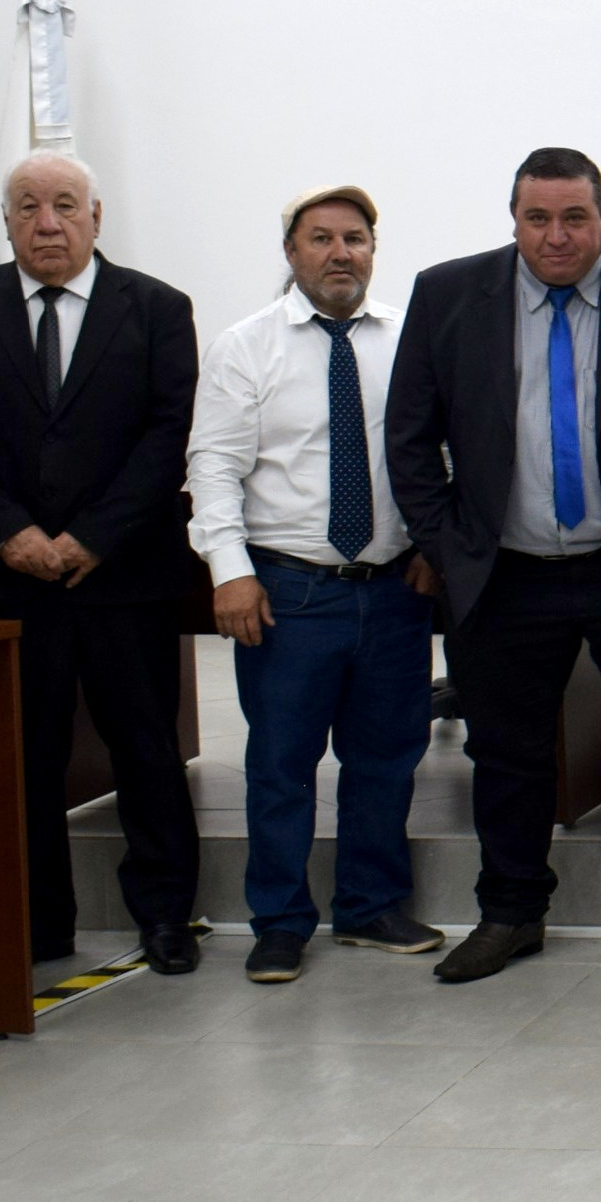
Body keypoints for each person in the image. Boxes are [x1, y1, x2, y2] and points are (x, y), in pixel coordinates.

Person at [384, 148, 601, 985]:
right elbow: (410, 438)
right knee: (507, 753)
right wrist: (445, 544)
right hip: (504, 571)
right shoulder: (450, 294)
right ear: (514, 219)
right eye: (538, 219)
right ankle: (511, 912)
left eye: (575, 218)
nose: (557, 237)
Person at [0, 152, 201, 969]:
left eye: (66, 206)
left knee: (145, 751)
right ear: (7, 221)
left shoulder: (154, 308)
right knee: (24, 758)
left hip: (125, 577)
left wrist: (93, 537)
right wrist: (10, 533)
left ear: (96, 217)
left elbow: (166, 435)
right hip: (11, 581)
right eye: (29, 207)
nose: (48, 223)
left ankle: (164, 918)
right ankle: (40, 925)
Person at [185, 186, 443, 983]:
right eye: (322, 239)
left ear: (374, 249)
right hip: (289, 591)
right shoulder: (246, 346)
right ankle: (281, 922)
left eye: (356, 239)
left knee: (387, 758)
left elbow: (449, 452)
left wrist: (438, 545)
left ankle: (370, 908)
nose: (341, 253)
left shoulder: (411, 340)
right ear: (292, 253)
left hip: (395, 588)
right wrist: (228, 574)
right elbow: (215, 469)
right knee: (282, 764)